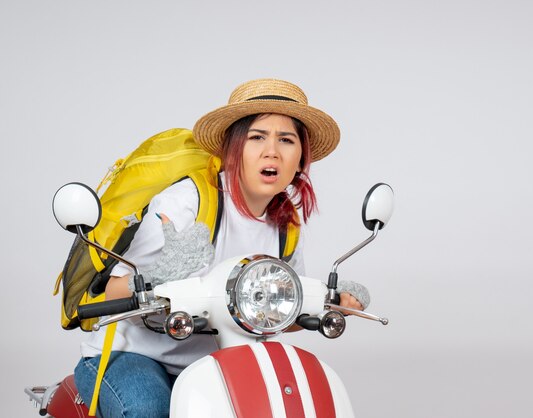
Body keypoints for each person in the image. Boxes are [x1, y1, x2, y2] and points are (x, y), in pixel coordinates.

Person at [73, 78, 370, 417]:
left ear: (301, 158)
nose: (272, 150)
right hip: (134, 354)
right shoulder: (188, 202)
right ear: (234, 148)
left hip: (214, 363)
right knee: (148, 409)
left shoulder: (285, 225)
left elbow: (277, 315)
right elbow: (108, 292)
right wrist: (158, 276)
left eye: (286, 140)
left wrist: (331, 301)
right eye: (257, 137)